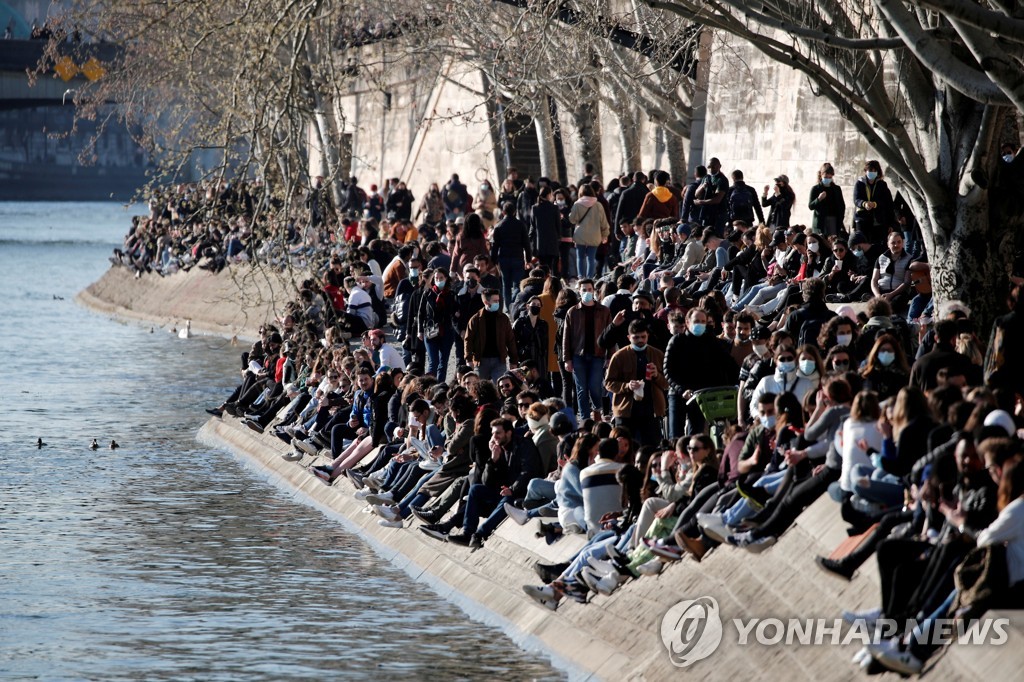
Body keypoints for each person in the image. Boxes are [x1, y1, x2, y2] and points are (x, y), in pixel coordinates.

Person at [444, 417, 542, 548]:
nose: (494, 437)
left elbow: (528, 472)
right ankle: (468, 533)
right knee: (475, 490)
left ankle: (480, 534)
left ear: (508, 433)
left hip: (520, 491)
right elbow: (487, 482)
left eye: (498, 433)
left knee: (507, 498)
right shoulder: (498, 449)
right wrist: (492, 461)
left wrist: (512, 489)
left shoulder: (524, 445)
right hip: (503, 491)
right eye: (493, 433)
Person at [663, 307, 740, 438]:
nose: (700, 324)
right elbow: (668, 370)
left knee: (697, 435)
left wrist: (739, 382)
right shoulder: (677, 341)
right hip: (678, 394)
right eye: (696, 321)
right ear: (688, 322)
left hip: (701, 396)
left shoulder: (711, 341)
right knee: (675, 436)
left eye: (703, 321)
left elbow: (729, 363)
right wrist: (682, 390)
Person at [604, 320, 670, 445]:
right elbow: (608, 383)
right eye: (636, 337)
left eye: (643, 337)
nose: (640, 340)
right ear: (629, 338)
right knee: (624, 449)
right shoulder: (619, 356)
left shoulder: (657, 354)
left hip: (651, 410)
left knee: (651, 448)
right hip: (627, 411)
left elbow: (667, 384)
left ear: (648, 336)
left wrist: (657, 376)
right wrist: (627, 386)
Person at [563, 279, 612, 421]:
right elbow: (566, 337)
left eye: (589, 289)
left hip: (598, 354)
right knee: (581, 389)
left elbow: (610, 334)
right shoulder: (572, 312)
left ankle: (597, 407)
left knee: (595, 386)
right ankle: (585, 419)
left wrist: (610, 356)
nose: (587, 292)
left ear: (594, 291)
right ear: (579, 291)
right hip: (578, 355)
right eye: (584, 290)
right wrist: (567, 359)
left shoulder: (604, 311)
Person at [465, 289, 519, 383]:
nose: (497, 303)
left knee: (500, 388)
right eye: (495, 301)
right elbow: (468, 340)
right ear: (486, 302)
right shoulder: (476, 319)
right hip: (480, 361)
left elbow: (510, 340)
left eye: (498, 300)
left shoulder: (503, 319)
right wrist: (468, 359)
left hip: (499, 361)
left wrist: (513, 360)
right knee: (480, 390)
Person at [490, 202, 532, 310]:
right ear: (515, 212)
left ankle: (509, 307)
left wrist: (493, 260)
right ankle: (514, 303)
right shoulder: (520, 225)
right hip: (518, 257)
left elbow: (495, 245)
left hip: (503, 258)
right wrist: (528, 259)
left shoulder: (498, 226)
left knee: (506, 284)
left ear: (503, 212)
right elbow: (526, 244)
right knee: (517, 284)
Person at [419, 269, 458, 380]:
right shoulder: (427, 293)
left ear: (446, 278)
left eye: (441, 278)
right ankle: (430, 385)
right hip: (430, 330)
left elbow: (455, 310)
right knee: (433, 362)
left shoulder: (451, 294)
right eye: (436, 278)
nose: (439, 280)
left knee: (443, 362)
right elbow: (421, 313)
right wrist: (420, 331)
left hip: (446, 331)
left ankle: (440, 386)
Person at [569, 184, 611, 279]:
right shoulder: (598, 205)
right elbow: (604, 222)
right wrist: (605, 234)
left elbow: (572, 220)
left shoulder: (577, 204)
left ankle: (580, 277)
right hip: (595, 235)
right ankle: (590, 278)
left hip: (580, 235)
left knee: (580, 257)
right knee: (591, 258)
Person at [853, 159, 894, 245]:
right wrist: (864, 204)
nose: (872, 172)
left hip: (878, 220)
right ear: (866, 171)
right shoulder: (860, 184)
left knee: (878, 244)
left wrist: (875, 204)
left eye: (875, 170)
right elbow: (856, 199)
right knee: (862, 243)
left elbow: (887, 202)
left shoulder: (882, 184)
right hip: (863, 219)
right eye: (870, 170)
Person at [808, 162, 846, 237]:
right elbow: (810, 206)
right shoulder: (815, 189)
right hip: (820, 221)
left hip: (833, 220)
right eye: (826, 177)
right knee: (821, 241)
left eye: (829, 177)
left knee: (832, 242)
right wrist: (818, 199)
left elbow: (842, 205)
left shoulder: (836, 188)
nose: (828, 179)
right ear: (821, 175)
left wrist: (840, 219)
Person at [530, 186, 561, 274]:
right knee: (552, 267)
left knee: (542, 267)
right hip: (552, 242)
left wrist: (531, 240)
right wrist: (559, 237)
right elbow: (558, 226)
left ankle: (543, 284)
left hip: (540, 244)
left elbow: (532, 226)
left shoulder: (534, 208)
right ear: (549, 195)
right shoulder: (554, 208)